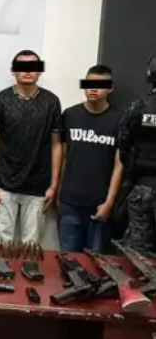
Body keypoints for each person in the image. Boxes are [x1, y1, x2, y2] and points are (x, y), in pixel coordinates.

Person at [0, 50, 62, 244]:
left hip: (38, 185)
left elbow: (56, 145)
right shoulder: (0, 99)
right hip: (4, 184)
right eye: (22, 66)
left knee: (31, 246)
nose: (27, 71)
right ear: (13, 71)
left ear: (40, 72)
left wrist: (54, 185)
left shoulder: (51, 102)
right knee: (2, 245)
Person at [57, 65, 122, 253]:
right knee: (68, 259)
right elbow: (63, 156)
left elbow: (120, 164)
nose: (94, 88)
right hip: (70, 203)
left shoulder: (120, 120)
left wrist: (109, 203)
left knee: (98, 262)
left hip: (100, 204)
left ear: (110, 88)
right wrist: (59, 193)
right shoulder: (70, 115)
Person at [116, 56, 156, 253]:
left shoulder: (138, 107)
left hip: (142, 186)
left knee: (138, 252)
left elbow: (122, 144)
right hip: (142, 184)